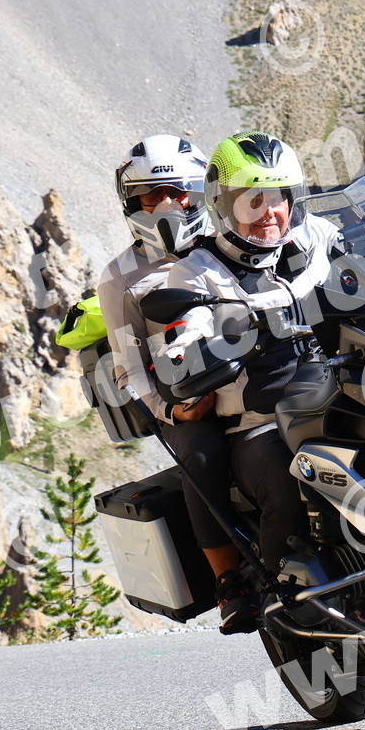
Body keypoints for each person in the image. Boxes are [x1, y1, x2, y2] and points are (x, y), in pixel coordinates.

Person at [158, 132, 342, 607]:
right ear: (223, 205)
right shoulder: (197, 272)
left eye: (278, 197)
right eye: (251, 200)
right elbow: (183, 339)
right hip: (260, 422)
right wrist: (200, 349)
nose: (268, 212)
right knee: (287, 481)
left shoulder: (312, 237)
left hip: (340, 390)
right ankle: (286, 597)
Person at [96, 134, 254, 633]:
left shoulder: (235, 241)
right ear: (132, 202)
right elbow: (128, 366)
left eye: (179, 191)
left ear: (201, 192)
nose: (168, 204)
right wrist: (172, 412)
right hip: (188, 396)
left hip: (257, 373)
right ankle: (229, 582)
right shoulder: (119, 278)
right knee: (199, 455)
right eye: (151, 195)